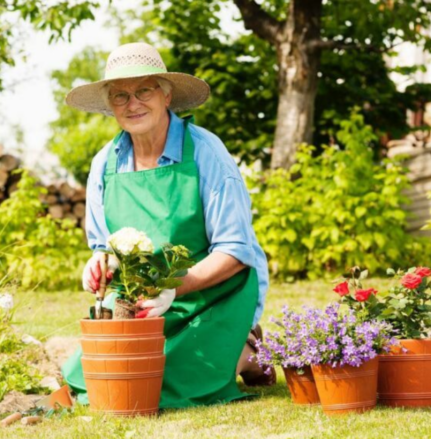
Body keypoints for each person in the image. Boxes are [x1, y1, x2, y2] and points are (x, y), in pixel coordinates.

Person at [60, 42, 273, 409]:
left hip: (212, 292)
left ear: (166, 94)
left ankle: (251, 350)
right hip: (140, 300)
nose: (133, 103)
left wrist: (177, 286)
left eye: (144, 90)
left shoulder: (206, 152)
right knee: (94, 381)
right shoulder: (105, 164)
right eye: (120, 95)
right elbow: (104, 246)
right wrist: (99, 262)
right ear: (110, 105)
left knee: (169, 384)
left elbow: (236, 250)